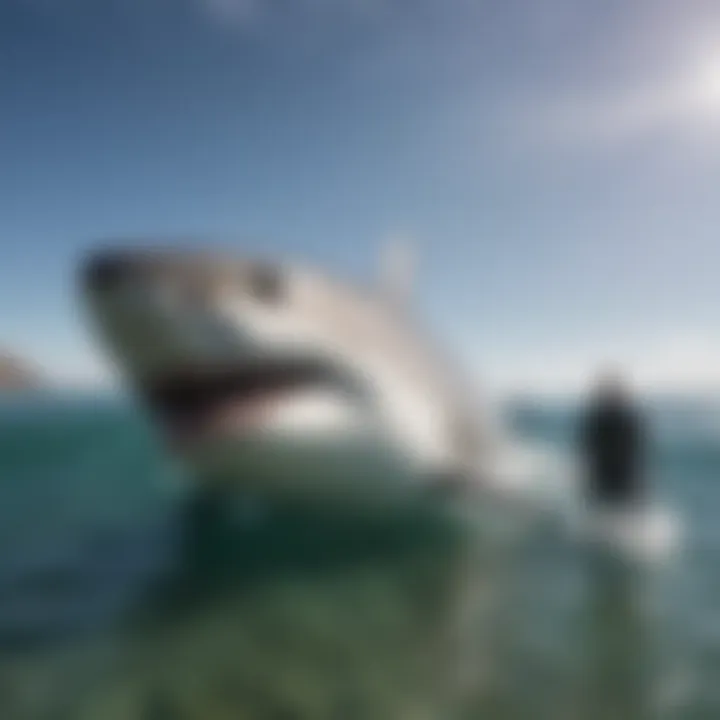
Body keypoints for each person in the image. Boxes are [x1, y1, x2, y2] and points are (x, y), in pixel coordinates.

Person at [579, 371, 648, 508]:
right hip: (604, 476)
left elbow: (637, 451)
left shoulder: (628, 419)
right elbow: (588, 449)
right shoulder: (597, 419)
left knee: (622, 505)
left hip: (623, 477)